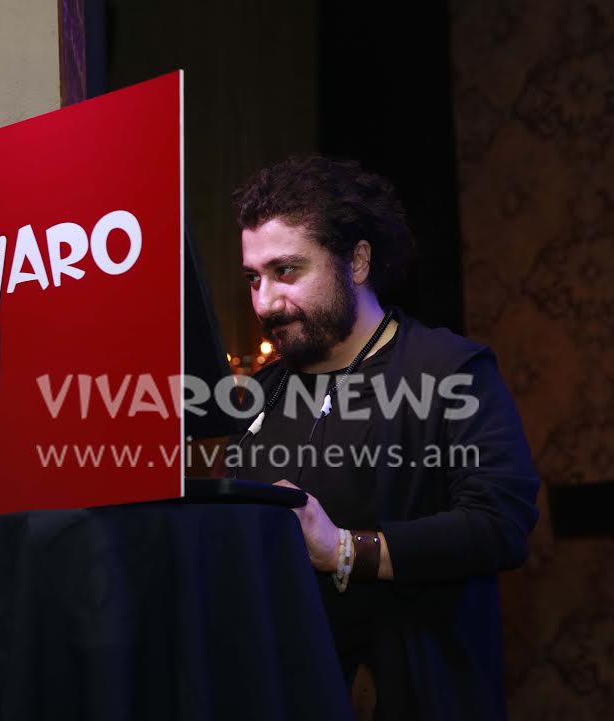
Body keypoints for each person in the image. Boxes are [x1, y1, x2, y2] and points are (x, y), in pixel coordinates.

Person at [228, 155, 540, 720]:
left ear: (358, 261)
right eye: (254, 278)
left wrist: (343, 549)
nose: (264, 302)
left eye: (286, 271)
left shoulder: (448, 370)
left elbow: (500, 525)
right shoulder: (262, 393)